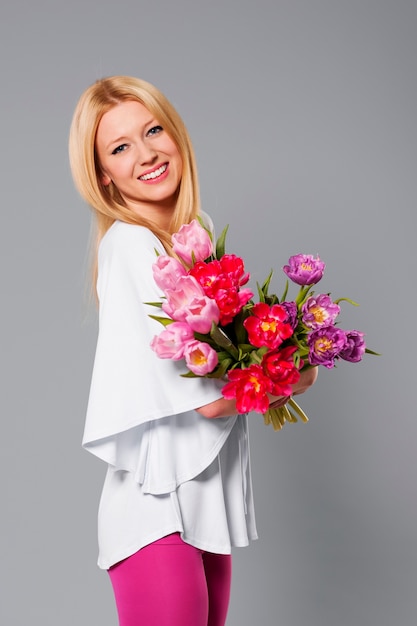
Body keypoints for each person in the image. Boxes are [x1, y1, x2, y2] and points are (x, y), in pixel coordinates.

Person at [69, 75, 318, 626]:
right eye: (120, 147)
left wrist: (283, 360)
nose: (147, 153)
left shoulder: (195, 236)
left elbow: (227, 378)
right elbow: (207, 399)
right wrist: (288, 371)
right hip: (158, 513)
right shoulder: (130, 245)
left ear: (176, 135)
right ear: (105, 179)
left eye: (153, 129)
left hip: (204, 508)